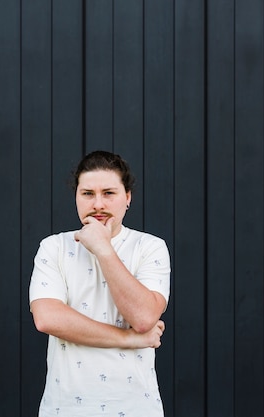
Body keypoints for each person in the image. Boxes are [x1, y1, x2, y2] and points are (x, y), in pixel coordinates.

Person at [29, 150, 171, 417]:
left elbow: (143, 317)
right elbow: (47, 319)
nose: (97, 204)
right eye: (87, 194)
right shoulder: (53, 247)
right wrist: (128, 339)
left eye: (109, 193)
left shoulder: (150, 247)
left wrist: (103, 248)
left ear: (127, 198)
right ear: (76, 197)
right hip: (65, 409)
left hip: (135, 408)